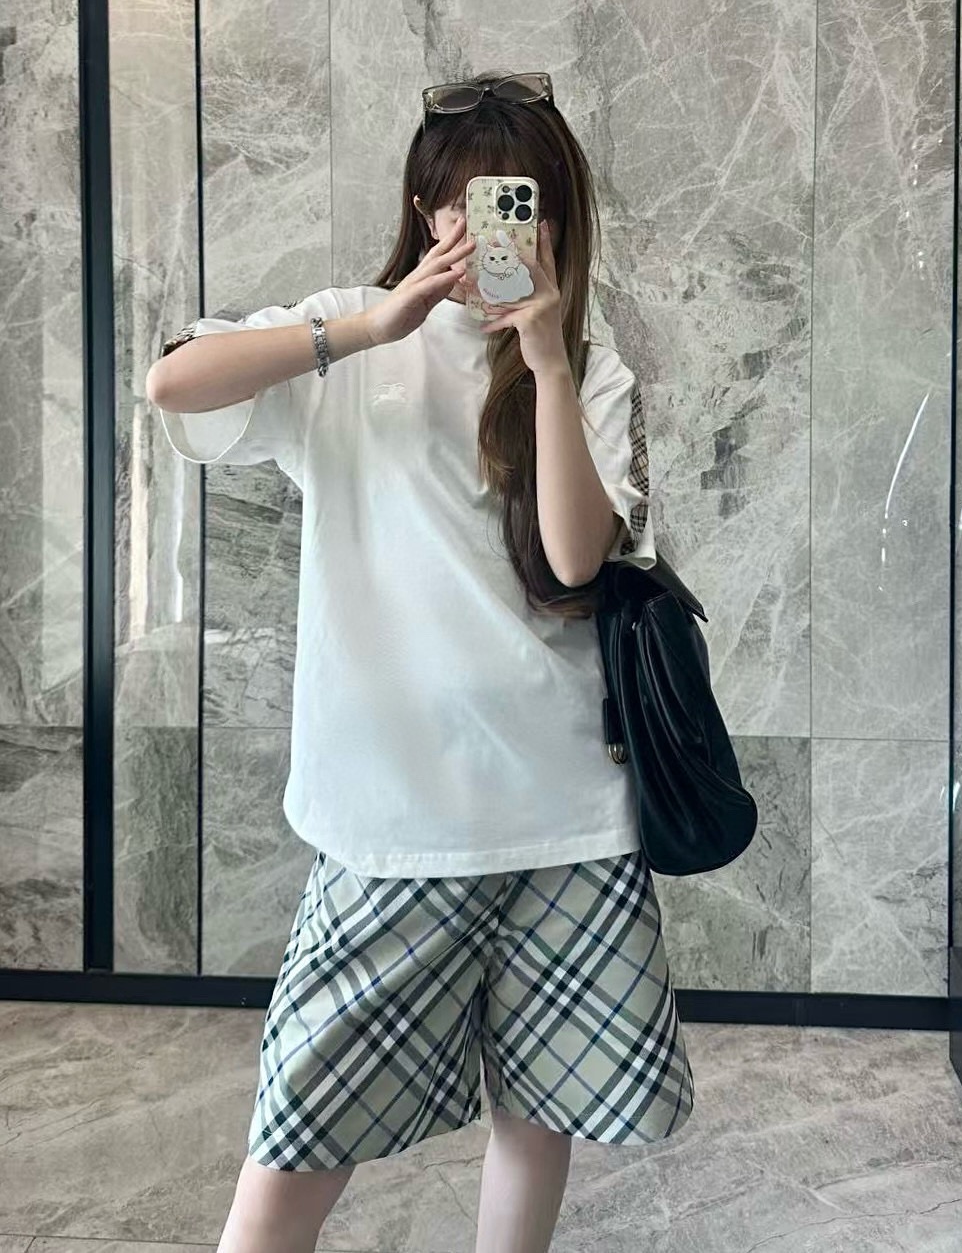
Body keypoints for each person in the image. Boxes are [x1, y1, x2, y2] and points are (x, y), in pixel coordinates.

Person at [146, 69, 694, 1253]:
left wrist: (547, 361)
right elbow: (171, 381)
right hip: (391, 822)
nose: (485, 229)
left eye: (517, 203)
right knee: (297, 1139)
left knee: (535, 1118)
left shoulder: (589, 369)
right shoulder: (348, 333)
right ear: (421, 205)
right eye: (463, 202)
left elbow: (575, 559)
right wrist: (368, 326)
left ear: (556, 221)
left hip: (565, 818)